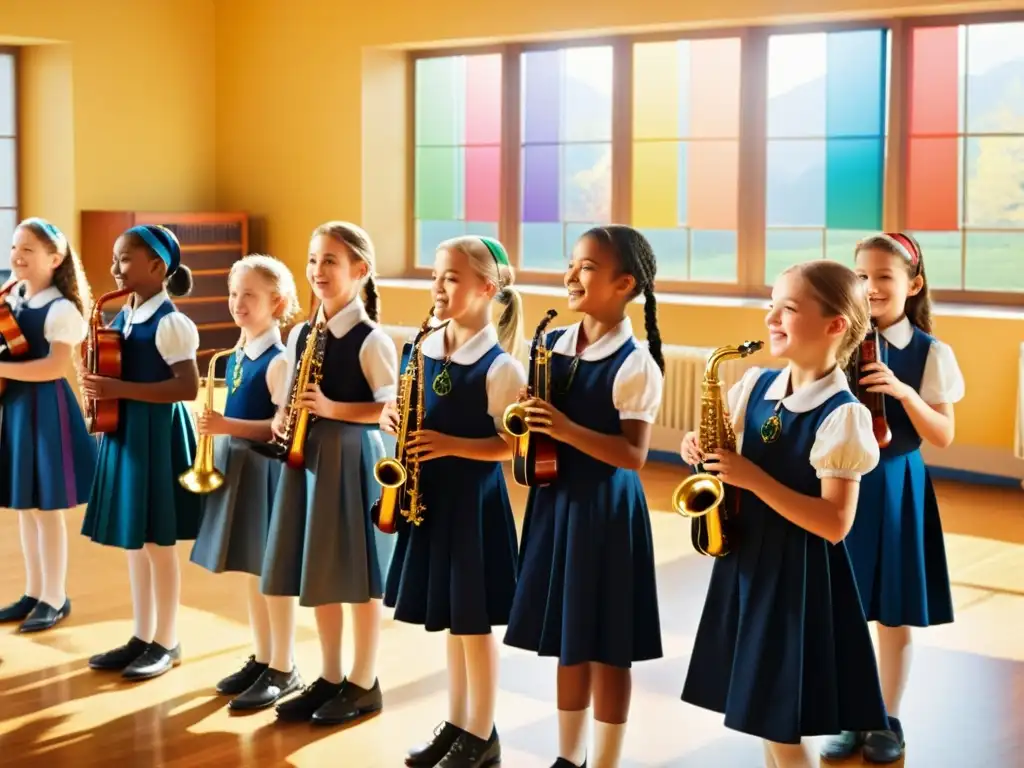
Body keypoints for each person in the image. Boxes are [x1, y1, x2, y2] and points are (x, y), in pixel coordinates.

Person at [680, 259, 889, 768]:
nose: (772, 318)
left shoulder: (844, 415)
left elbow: (835, 524)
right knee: (761, 707)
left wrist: (751, 478)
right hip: (748, 562)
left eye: (788, 309)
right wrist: (699, 449)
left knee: (778, 713)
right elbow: (730, 453)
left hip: (795, 575)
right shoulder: (753, 386)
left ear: (834, 325)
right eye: (771, 305)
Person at [504, 226, 665, 768]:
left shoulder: (637, 364)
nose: (572, 274)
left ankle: (606, 762)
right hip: (556, 506)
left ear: (624, 284)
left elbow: (633, 456)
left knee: (608, 646)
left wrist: (566, 429)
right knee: (570, 639)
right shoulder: (550, 346)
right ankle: (568, 758)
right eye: (572, 263)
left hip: (606, 512)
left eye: (588, 267)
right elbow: (539, 432)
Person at [381, 236, 525, 768]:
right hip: (430, 500)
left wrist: (450, 445)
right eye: (436, 275)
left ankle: (482, 734)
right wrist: (388, 418)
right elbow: (406, 407)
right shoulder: (423, 345)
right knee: (451, 617)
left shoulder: (501, 367)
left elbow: (512, 449)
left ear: (487, 289)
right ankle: (459, 720)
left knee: (475, 623)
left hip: (473, 506)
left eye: (451, 278)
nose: (438, 287)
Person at [821, 233, 964, 764]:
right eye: (861, 276)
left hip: (897, 486)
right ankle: (851, 713)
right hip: (840, 484)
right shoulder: (838, 339)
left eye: (884, 276)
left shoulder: (931, 352)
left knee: (893, 611)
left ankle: (887, 717)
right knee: (845, 607)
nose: (871, 287)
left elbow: (944, 435)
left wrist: (902, 392)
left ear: (914, 284)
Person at [260, 221, 398, 726]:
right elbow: (296, 396)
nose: (317, 271)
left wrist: (335, 408)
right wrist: (282, 416)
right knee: (321, 572)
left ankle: (365, 681)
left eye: (330, 261)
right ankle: (333, 676)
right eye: (313, 260)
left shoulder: (371, 340)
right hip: (311, 460)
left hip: (351, 460)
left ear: (360, 271)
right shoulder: (302, 333)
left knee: (357, 578)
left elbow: (390, 412)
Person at [81, 224, 202, 681]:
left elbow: (186, 387)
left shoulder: (170, 322)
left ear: (157, 266)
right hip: (127, 431)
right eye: (114, 259)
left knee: (158, 543)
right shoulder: (123, 316)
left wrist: (118, 388)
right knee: (137, 542)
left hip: (155, 432)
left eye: (126, 259)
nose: (115, 268)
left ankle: (167, 641)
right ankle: (142, 634)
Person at [188, 254, 303, 710]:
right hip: (238, 467)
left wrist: (225, 426)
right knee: (254, 573)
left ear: (276, 302)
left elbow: (282, 429)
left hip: (265, 471)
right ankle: (263, 656)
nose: (237, 302)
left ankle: (284, 665)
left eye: (249, 295)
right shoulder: (238, 352)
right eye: (234, 293)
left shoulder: (278, 361)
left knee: (272, 574)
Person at [0, 217, 95, 633]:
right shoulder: (14, 296)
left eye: (28, 250)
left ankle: (54, 597)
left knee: (48, 509)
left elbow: (56, 367)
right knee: (26, 507)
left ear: (55, 259)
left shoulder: (61, 309)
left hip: (47, 409)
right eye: (14, 247)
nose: (17, 256)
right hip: (18, 406)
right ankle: (34, 591)